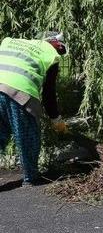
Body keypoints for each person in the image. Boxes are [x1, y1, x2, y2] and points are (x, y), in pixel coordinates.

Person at [0, 32, 68, 186]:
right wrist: (56, 120)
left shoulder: (12, 41)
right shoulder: (51, 54)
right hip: (19, 92)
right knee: (28, 135)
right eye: (61, 49)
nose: (60, 53)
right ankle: (31, 177)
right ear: (57, 44)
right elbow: (49, 93)